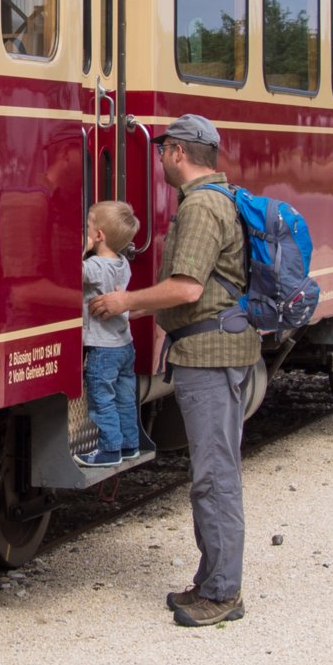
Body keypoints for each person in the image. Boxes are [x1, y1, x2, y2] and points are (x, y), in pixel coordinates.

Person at [86, 113, 255, 628]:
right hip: (214, 352)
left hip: (211, 357)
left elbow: (187, 289)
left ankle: (222, 593)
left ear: (179, 152)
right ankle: (211, 581)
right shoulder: (214, 200)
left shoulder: (203, 207)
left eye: (162, 150)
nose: (157, 157)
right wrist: (130, 309)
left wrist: (125, 299)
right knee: (212, 473)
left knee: (214, 477)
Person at [76, 200, 141, 468]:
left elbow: (73, 271)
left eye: (88, 226)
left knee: (102, 400)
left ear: (98, 235)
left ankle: (109, 448)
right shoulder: (123, 264)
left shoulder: (95, 267)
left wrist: (82, 248)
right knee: (125, 398)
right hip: (125, 345)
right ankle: (130, 444)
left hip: (103, 349)